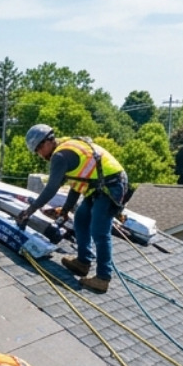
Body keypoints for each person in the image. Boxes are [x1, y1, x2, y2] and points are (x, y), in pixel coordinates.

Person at [17, 124, 129, 293]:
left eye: (39, 150)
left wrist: (29, 211)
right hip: (98, 187)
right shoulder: (66, 146)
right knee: (81, 219)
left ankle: (103, 278)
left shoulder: (60, 156)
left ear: (46, 142)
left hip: (111, 186)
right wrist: (65, 210)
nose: (40, 155)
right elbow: (77, 184)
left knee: (99, 231)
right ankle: (83, 263)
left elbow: (51, 188)